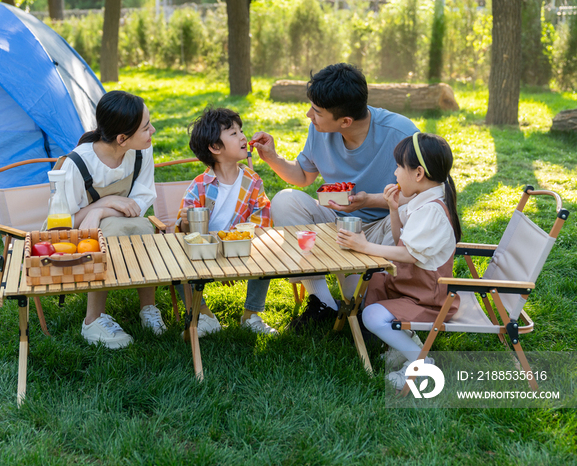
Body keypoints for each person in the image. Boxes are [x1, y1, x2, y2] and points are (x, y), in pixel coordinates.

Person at [249, 62, 419, 331]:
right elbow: (303, 176)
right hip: (335, 222)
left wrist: (370, 200)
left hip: (383, 227)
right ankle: (322, 301)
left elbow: (426, 195)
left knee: (361, 303)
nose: (309, 115)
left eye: (316, 112)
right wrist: (272, 157)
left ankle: (375, 299)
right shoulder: (320, 130)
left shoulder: (401, 133)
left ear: (345, 121)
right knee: (285, 200)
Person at [337, 132, 462, 390]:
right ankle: (405, 345)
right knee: (372, 282)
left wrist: (365, 246)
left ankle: (421, 362)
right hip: (412, 285)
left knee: (371, 315)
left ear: (418, 174)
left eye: (398, 167)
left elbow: (408, 255)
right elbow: (401, 240)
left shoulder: (431, 211)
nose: (395, 174)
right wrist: (394, 209)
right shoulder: (423, 200)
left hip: (427, 296)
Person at [54, 90, 167, 349]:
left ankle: (148, 308)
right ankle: (92, 320)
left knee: (141, 225)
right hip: (76, 240)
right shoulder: (77, 163)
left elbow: (139, 203)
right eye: (146, 128)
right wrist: (103, 204)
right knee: (111, 230)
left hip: (121, 222)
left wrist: (100, 210)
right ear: (122, 139)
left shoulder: (141, 152)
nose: (153, 131)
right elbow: (62, 222)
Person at [175, 107, 277, 336]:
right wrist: (185, 223)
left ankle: (251, 314)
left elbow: (262, 220)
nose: (242, 136)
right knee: (176, 262)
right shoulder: (200, 185)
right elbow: (185, 230)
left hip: (243, 247)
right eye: (233, 133)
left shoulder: (253, 182)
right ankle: (204, 316)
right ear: (215, 147)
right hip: (205, 251)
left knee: (268, 249)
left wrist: (234, 251)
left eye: (241, 131)